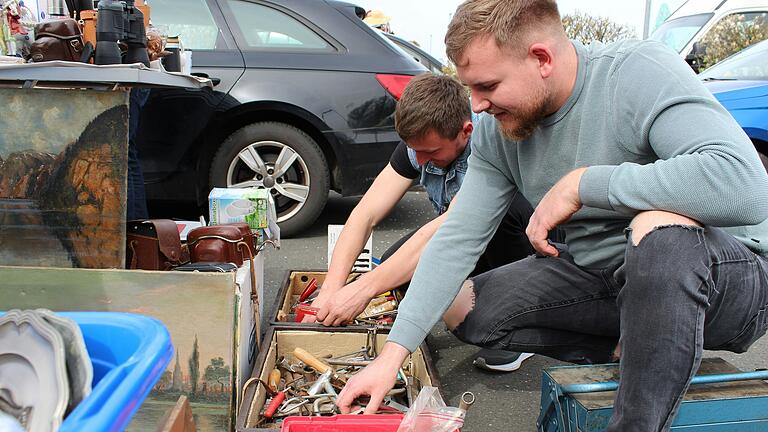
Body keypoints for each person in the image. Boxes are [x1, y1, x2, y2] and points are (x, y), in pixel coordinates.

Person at [336, 0, 768, 430]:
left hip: (728, 281)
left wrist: (586, 184)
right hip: (608, 277)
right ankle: (640, 344)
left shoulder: (634, 73)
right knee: (463, 308)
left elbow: (745, 186)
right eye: (471, 88)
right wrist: (393, 355)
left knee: (656, 229)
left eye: (487, 85)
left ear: (541, 58)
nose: (477, 104)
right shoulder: (497, 131)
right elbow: (458, 238)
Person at [309, 73, 546, 372]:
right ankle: (465, 295)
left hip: (522, 251)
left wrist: (362, 290)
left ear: (466, 131)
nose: (419, 161)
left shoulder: (492, 144)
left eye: (430, 152)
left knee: (502, 215)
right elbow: (364, 214)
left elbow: (448, 229)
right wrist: (333, 287)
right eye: (415, 150)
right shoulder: (421, 145)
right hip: (462, 242)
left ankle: (518, 324)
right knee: (394, 269)